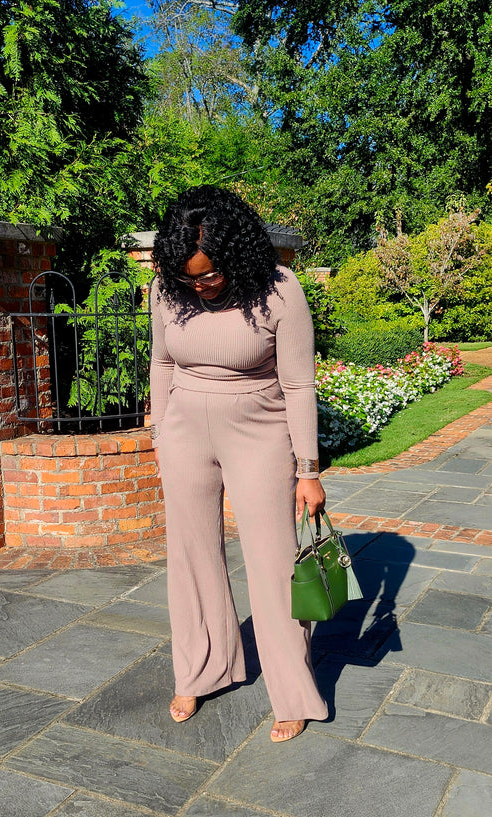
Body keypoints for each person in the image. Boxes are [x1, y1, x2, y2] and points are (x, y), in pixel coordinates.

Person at [150, 185, 328, 743]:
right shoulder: (166, 289)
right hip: (183, 429)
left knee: (275, 562)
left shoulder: (278, 289)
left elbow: (298, 383)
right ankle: (201, 669)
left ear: (237, 253)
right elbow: (159, 361)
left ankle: (292, 690)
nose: (200, 285)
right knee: (191, 554)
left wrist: (308, 467)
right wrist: (158, 431)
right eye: (190, 278)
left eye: (209, 274)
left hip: (261, 429)